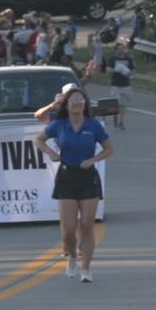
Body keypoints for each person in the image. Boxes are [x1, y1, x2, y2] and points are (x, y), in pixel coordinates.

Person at [34, 86, 114, 283]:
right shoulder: (59, 125)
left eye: (81, 100)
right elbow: (39, 139)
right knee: (68, 230)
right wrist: (51, 153)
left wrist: (93, 160)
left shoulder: (93, 125)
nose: (77, 104)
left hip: (88, 177)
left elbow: (109, 149)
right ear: (67, 105)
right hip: (67, 177)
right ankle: (71, 256)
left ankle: (86, 268)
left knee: (87, 225)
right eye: (73, 101)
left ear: (85, 105)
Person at [106, 43, 134, 130]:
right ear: (116, 50)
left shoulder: (128, 59)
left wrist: (129, 73)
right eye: (118, 49)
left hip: (126, 84)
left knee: (124, 105)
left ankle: (121, 122)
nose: (120, 50)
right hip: (115, 84)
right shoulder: (112, 59)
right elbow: (107, 70)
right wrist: (116, 70)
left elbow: (133, 71)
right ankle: (115, 116)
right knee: (116, 103)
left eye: (122, 49)